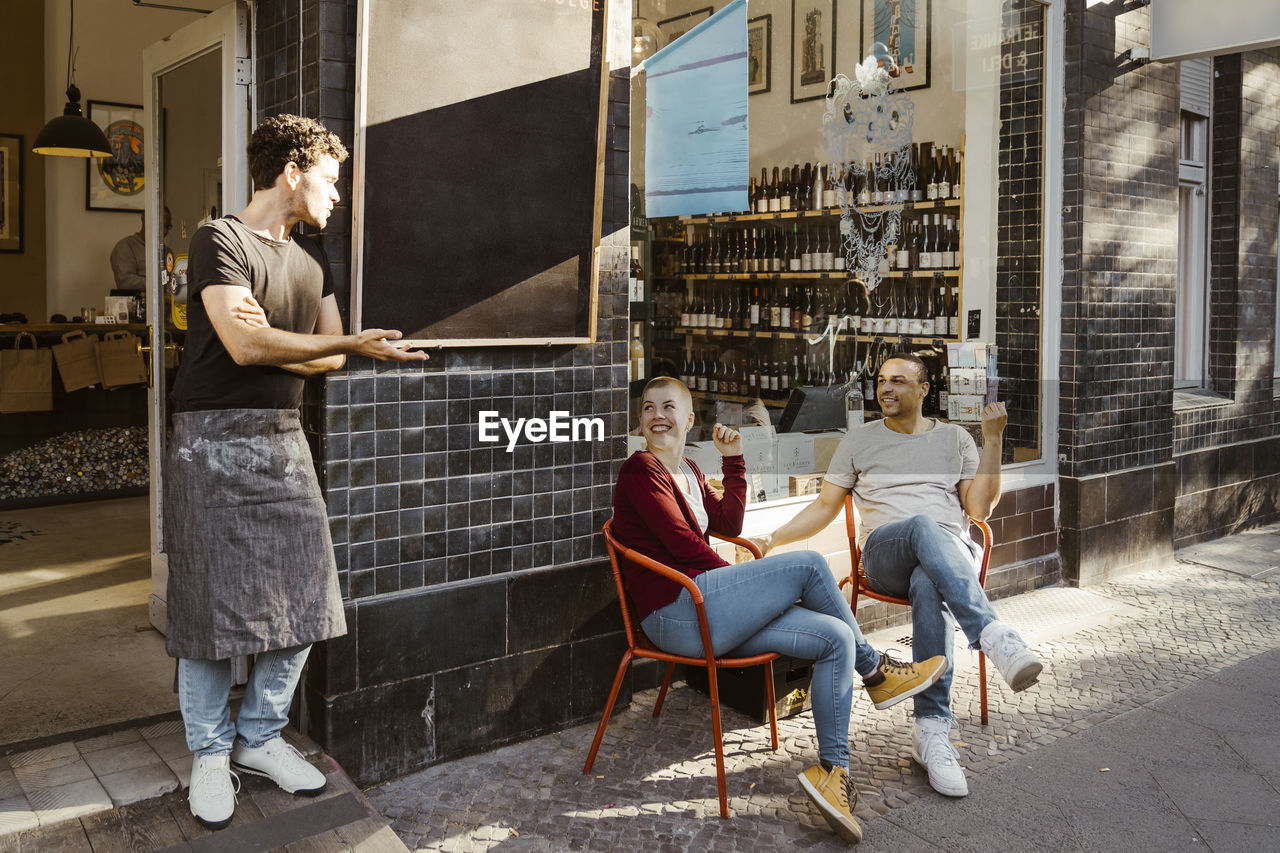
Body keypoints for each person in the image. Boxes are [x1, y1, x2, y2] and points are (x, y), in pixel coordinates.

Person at [165, 114, 428, 830]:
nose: (336, 195)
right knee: (210, 603)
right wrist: (314, 343)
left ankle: (259, 735)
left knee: (309, 589)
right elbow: (248, 348)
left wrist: (304, 343)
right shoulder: (218, 239)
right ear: (293, 170)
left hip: (282, 435)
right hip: (210, 439)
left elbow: (326, 357)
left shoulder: (312, 262)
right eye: (332, 179)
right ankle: (211, 754)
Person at [613, 376, 948, 844]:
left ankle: (835, 773)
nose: (657, 416)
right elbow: (685, 549)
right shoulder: (640, 471)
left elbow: (728, 523)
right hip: (676, 616)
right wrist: (766, 588)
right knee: (809, 564)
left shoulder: (685, 469)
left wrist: (733, 462)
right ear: (641, 420)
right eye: (648, 408)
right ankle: (877, 674)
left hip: (712, 609)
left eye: (669, 407)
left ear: (690, 420)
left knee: (835, 637)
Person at [753, 353, 1044, 799]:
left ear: (924, 389)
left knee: (931, 583)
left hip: (946, 556)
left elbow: (979, 510)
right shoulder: (860, 439)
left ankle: (931, 732)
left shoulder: (956, 439)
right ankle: (991, 634)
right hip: (885, 554)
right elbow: (825, 506)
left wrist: (992, 441)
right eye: (883, 381)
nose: (886, 389)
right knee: (924, 525)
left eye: (899, 381)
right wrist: (774, 536)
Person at [110, 207, 172, 292]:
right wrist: (161, 284)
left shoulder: (167, 252)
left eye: (167, 227)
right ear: (144, 220)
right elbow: (126, 282)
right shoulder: (125, 247)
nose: (164, 231)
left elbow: (172, 282)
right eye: (160, 225)